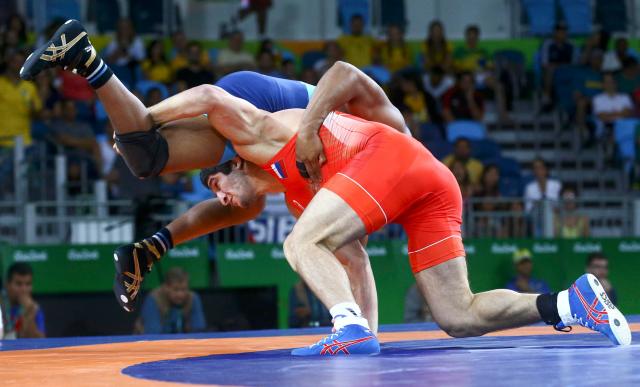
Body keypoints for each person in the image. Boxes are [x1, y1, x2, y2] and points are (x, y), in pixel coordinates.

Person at [23, 21, 632, 355]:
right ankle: (567, 303)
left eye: (220, 177)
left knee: (161, 160)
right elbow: (347, 253)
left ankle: (344, 327)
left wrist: (307, 125)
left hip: (313, 123)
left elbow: (324, 78)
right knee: (457, 315)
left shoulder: (300, 136)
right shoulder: (290, 190)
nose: (217, 184)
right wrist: (158, 241)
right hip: (424, 182)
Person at [134, 267, 206, 334]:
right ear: (166, 287)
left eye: (184, 289)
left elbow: (198, 330)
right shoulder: (154, 299)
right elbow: (152, 333)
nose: (180, 294)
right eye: (176, 289)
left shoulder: (193, 298)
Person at [0, 50, 41, 147]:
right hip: (2, 140)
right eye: (15, 62)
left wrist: (33, 110)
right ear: (9, 63)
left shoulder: (30, 87)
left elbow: (37, 112)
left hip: (24, 141)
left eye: (21, 62)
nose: (18, 65)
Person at [1, 263, 46, 339]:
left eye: (28, 284)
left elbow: (39, 342)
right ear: (7, 284)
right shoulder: (1, 304)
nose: (24, 289)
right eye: (19, 284)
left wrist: (29, 314)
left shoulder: (34, 308)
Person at [540, 22, 577, 110]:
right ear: (555, 33)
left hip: (567, 71)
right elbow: (544, 63)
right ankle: (547, 96)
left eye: (564, 32)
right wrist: (559, 66)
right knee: (550, 69)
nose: (562, 34)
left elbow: (575, 63)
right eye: (560, 31)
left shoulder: (572, 44)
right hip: (553, 72)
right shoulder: (548, 44)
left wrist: (563, 66)